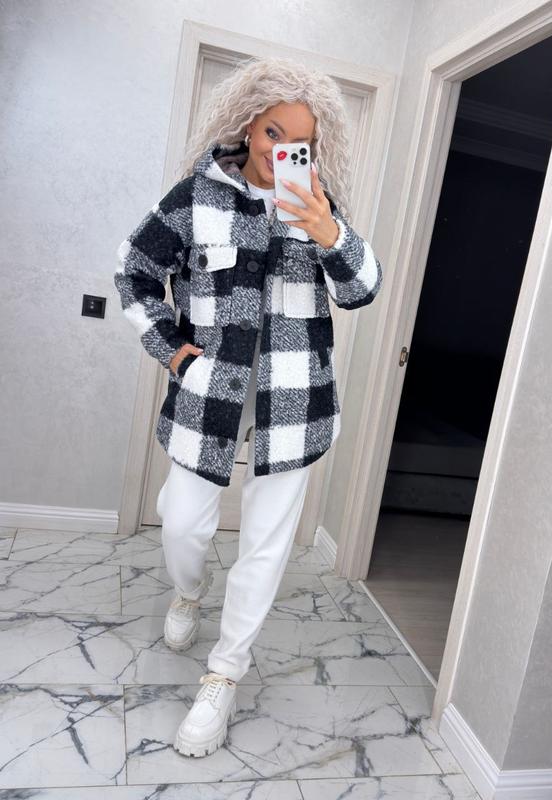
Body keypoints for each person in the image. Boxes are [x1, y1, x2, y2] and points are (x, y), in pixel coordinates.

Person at [114, 55, 383, 758]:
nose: (281, 151)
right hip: (209, 393)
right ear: (248, 124)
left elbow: (361, 290)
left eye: (301, 142)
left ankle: (224, 674)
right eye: (272, 133)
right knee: (182, 524)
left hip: (295, 402)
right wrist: (172, 350)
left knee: (265, 546)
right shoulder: (196, 196)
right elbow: (134, 270)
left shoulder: (317, 205)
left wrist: (329, 233)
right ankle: (189, 592)